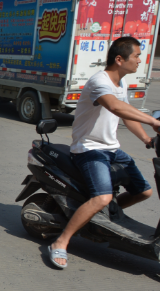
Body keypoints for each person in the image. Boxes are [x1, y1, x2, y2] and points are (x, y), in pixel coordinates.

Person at [48, 37, 160, 268]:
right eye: (137, 56)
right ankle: (61, 241)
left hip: (111, 149)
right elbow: (115, 106)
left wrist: (148, 140)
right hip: (89, 149)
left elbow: (125, 114)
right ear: (119, 59)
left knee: (144, 192)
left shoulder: (122, 83)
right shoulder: (100, 81)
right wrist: (152, 121)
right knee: (102, 197)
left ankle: (98, 217)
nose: (140, 60)